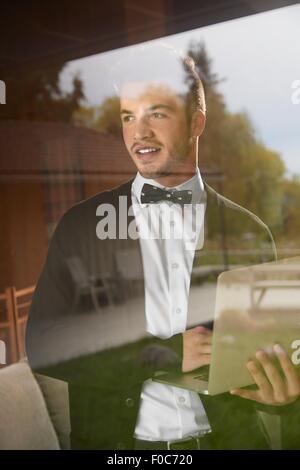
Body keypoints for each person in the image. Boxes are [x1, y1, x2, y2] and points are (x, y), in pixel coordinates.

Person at [26, 43, 300, 450]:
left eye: (157, 113)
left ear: (196, 122)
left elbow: (273, 351)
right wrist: (169, 352)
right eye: (128, 117)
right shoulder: (81, 226)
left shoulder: (250, 230)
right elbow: (45, 344)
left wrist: (284, 398)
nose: (139, 133)